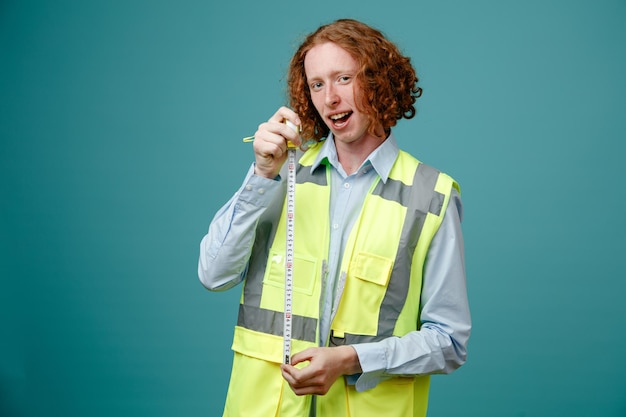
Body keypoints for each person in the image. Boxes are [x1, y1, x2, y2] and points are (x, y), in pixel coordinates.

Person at [198, 18, 471, 417]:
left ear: (379, 81)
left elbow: (449, 342)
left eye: (344, 78)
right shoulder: (280, 175)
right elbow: (213, 274)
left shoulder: (432, 196)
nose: (330, 99)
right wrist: (260, 174)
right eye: (317, 84)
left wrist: (351, 359)